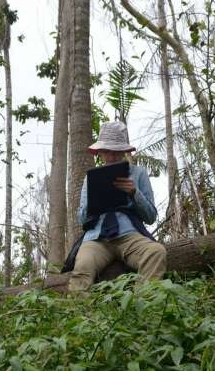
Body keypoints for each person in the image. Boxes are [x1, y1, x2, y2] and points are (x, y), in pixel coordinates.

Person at [66, 121, 167, 292]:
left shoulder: (138, 173)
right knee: (82, 268)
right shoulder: (90, 178)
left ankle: (140, 305)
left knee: (156, 252)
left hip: (129, 235)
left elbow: (151, 217)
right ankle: (85, 316)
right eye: (107, 152)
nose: (111, 157)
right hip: (96, 238)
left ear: (124, 151)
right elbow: (82, 218)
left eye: (116, 152)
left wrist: (134, 192)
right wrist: (95, 199)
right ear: (100, 152)